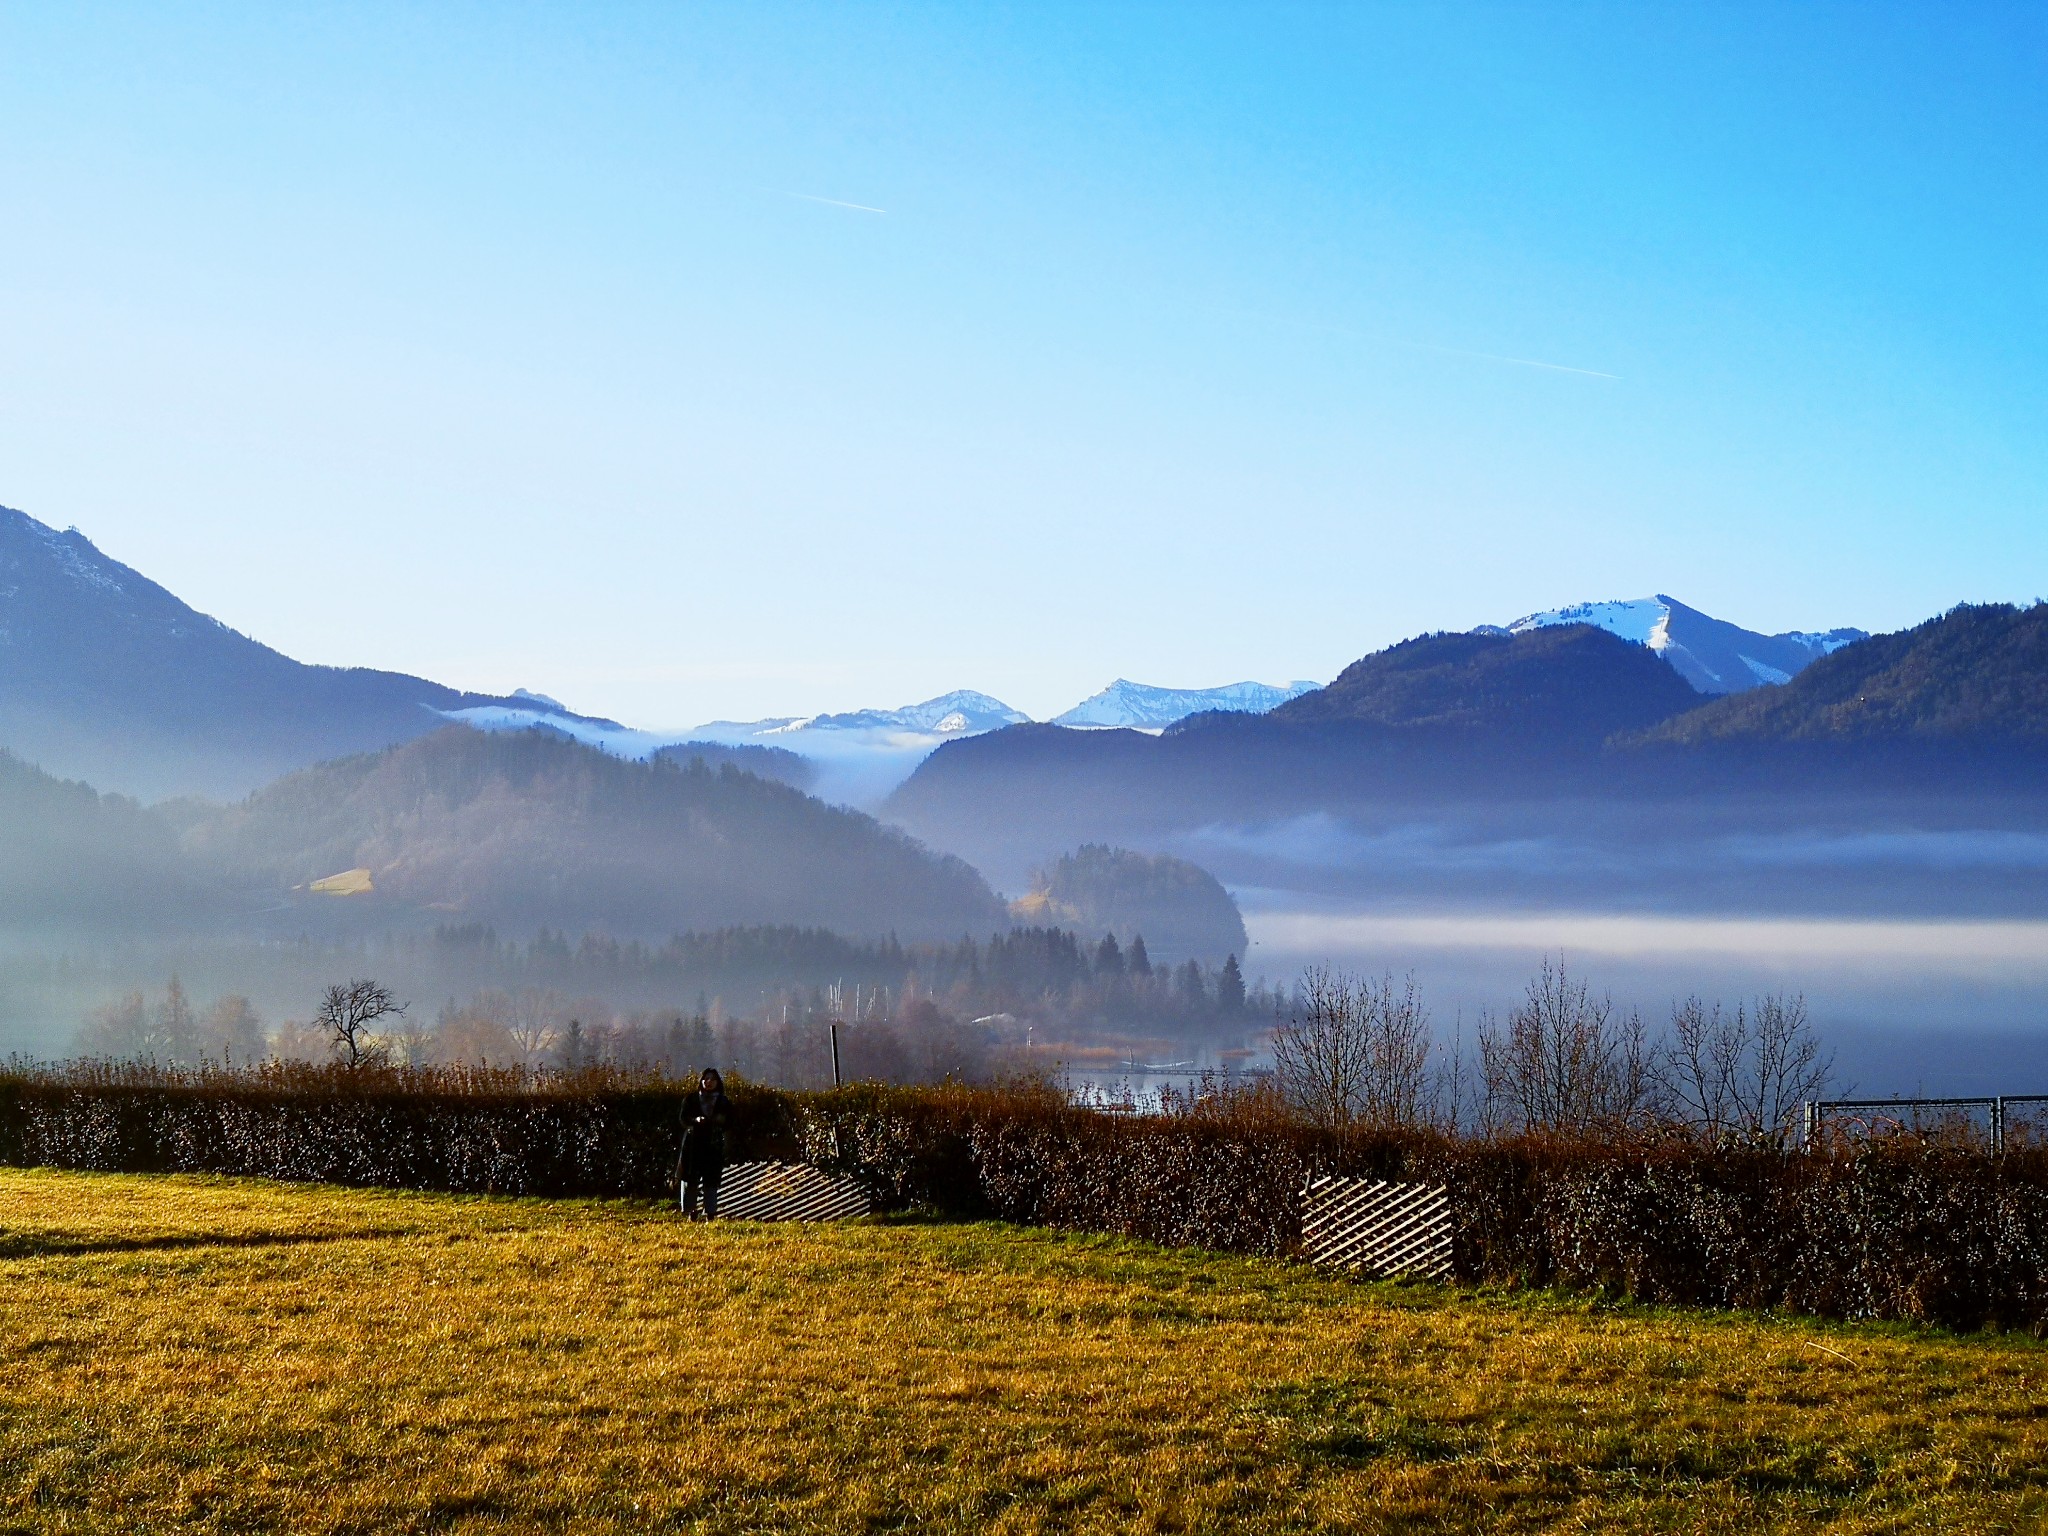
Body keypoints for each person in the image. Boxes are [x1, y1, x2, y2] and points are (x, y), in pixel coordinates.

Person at [675, 1068, 731, 1220]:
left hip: (713, 1145)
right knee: (690, 1179)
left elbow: (730, 1121)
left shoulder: (723, 1101)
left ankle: (710, 1213)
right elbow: (683, 1118)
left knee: (711, 1181)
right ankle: (690, 1211)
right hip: (693, 1145)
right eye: (706, 1079)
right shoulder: (691, 1099)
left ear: (717, 1082)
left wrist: (720, 1121)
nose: (709, 1082)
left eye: (712, 1079)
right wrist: (695, 1121)